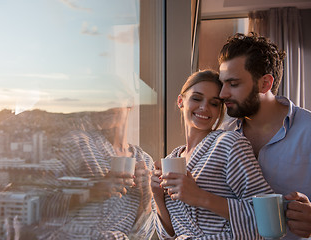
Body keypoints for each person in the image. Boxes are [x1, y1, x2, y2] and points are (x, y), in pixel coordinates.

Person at [151, 69, 274, 239]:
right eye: (196, 98)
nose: (204, 107)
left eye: (214, 103)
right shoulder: (172, 160)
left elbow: (268, 216)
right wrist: (157, 196)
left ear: (220, 110)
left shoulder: (229, 144)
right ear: (181, 101)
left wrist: (200, 197)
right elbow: (168, 234)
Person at [218, 32, 311, 239]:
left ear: (265, 84)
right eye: (222, 83)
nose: (222, 94)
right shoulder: (221, 136)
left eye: (233, 84)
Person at [44, 106, 155, 239]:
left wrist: (146, 197)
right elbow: (42, 208)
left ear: (129, 102)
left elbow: (142, 235)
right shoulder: (76, 142)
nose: (105, 106)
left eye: (112, 97)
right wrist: (91, 192)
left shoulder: (146, 161)